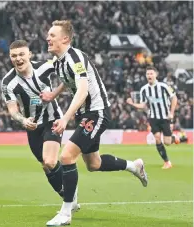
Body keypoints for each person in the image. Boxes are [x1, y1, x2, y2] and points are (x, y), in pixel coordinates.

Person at [41, 20, 148, 226]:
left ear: (65, 39)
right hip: (85, 115)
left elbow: (82, 89)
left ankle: (66, 211)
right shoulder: (59, 61)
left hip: (96, 112)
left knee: (66, 156)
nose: (48, 38)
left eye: (52, 35)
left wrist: (65, 117)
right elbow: (66, 80)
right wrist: (52, 94)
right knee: (94, 164)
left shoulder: (76, 57)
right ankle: (134, 166)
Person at [1, 40, 80, 213]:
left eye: (22, 54)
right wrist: (23, 120)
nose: (18, 58)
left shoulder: (46, 66)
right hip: (33, 126)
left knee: (50, 160)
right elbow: (13, 110)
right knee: (46, 165)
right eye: (14, 56)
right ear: (10, 58)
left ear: (29, 55)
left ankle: (70, 199)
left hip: (53, 120)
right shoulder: (8, 82)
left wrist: (54, 93)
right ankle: (66, 194)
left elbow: (69, 76)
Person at [127, 66, 180, 169]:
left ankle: (173, 138)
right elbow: (143, 105)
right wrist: (132, 103)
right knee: (157, 138)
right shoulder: (144, 89)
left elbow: (174, 98)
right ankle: (167, 162)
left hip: (165, 117)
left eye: (151, 73)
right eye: (148, 74)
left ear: (156, 75)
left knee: (167, 142)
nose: (149, 75)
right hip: (153, 117)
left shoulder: (164, 86)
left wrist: (172, 113)